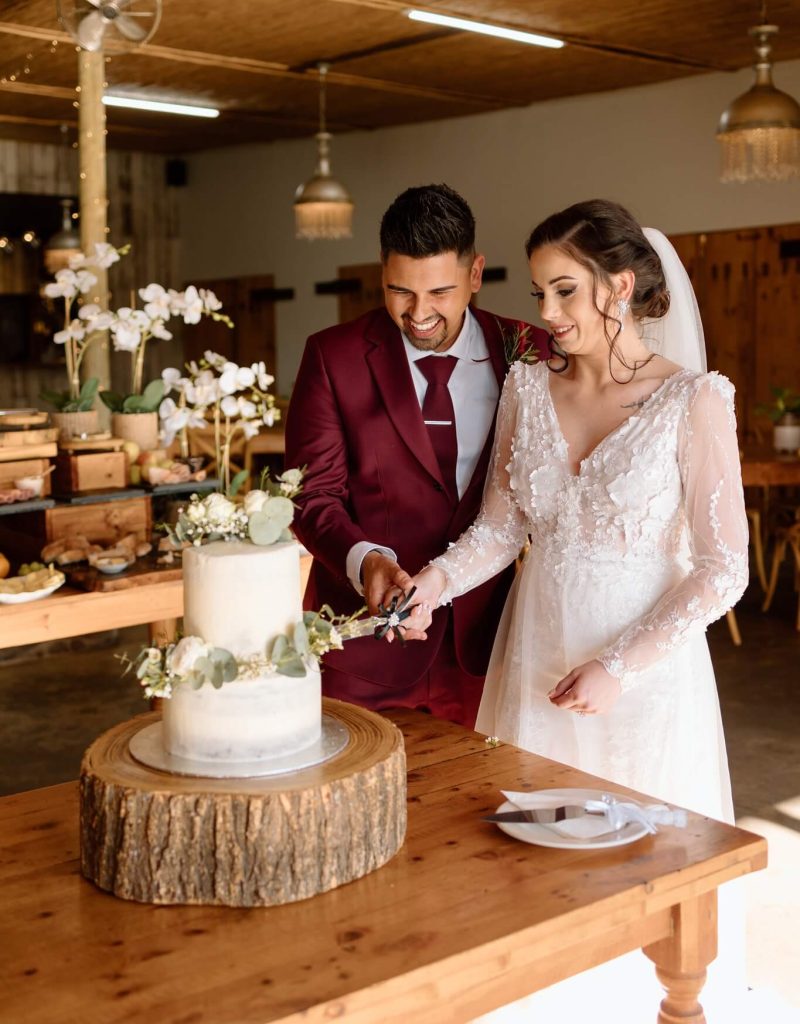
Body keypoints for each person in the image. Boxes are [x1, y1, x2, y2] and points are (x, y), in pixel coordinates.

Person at [392, 198, 749, 823]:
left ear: (620, 286)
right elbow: (501, 529)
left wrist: (617, 668)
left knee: (644, 853)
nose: (548, 315)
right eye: (539, 295)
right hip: (539, 651)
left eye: (565, 291)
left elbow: (723, 569)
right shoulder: (527, 388)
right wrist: (434, 584)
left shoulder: (692, 400)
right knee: (538, 844)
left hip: (643, 672)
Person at [285, 184, 548, 727]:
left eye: (440, 293)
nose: (419, 313)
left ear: (475, 274)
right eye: (400, 291)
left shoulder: (530, 351)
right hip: (363, 649)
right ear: (382, 271)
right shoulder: (332, 357)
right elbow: (312, 498)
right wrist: (367, 562)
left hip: (490, 646)